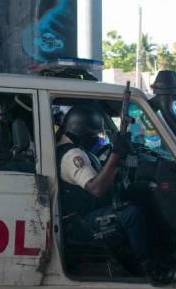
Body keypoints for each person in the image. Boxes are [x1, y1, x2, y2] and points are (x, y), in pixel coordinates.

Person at [56, 105, 153, 277]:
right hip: (80, 222)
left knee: (129, 205)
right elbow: (97, 188)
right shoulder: (73, 155)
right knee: (131, 215)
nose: (96, 139)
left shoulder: (73, 149)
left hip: (83, 215)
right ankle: (148, 269)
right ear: (82, 133)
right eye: (94, 135)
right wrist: (116, 155)